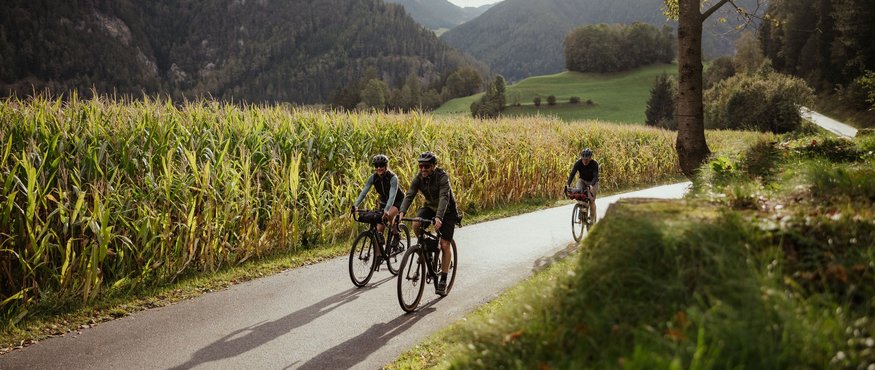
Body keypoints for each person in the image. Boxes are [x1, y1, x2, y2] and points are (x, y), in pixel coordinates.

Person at [399, 151, 460, 295]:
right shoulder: (418, 178)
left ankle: (443, 279)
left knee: (445, 244)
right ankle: (426, 248)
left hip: (447, 211)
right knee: (415, 223)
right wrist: (401, 213)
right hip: (429, 207)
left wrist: (439, 217)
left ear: (433, 166)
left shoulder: (442, 177)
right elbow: (409, 195)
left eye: (426, 166)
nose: (423, 169)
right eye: (420, 166)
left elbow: (444, 197)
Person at [353, 154, 405, 254]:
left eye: (381, 165)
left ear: (386, 166)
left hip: (397, 200)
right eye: (376, 166)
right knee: (378, 230)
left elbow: (392, 196)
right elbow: (364, 192)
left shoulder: (393, 178)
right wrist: (355, 205)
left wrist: (386, 210)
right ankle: (379, 256)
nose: (379, 168)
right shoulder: (373, 178)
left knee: (389, 215)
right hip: (384, 202)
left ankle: (396, 234)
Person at [566, 148, 599, 223]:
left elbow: (595, 176)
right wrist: (568, 184)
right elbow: (572, 174)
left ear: (590, 158)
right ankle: (582, 212)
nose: (585, 161)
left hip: (593, 182)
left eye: (586, 159)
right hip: (582, 181)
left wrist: (591, 185)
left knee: (591, 200)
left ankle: (592, 219)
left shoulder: (594, 164)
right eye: (583, 159)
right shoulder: (578, 163)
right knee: (579, 195)